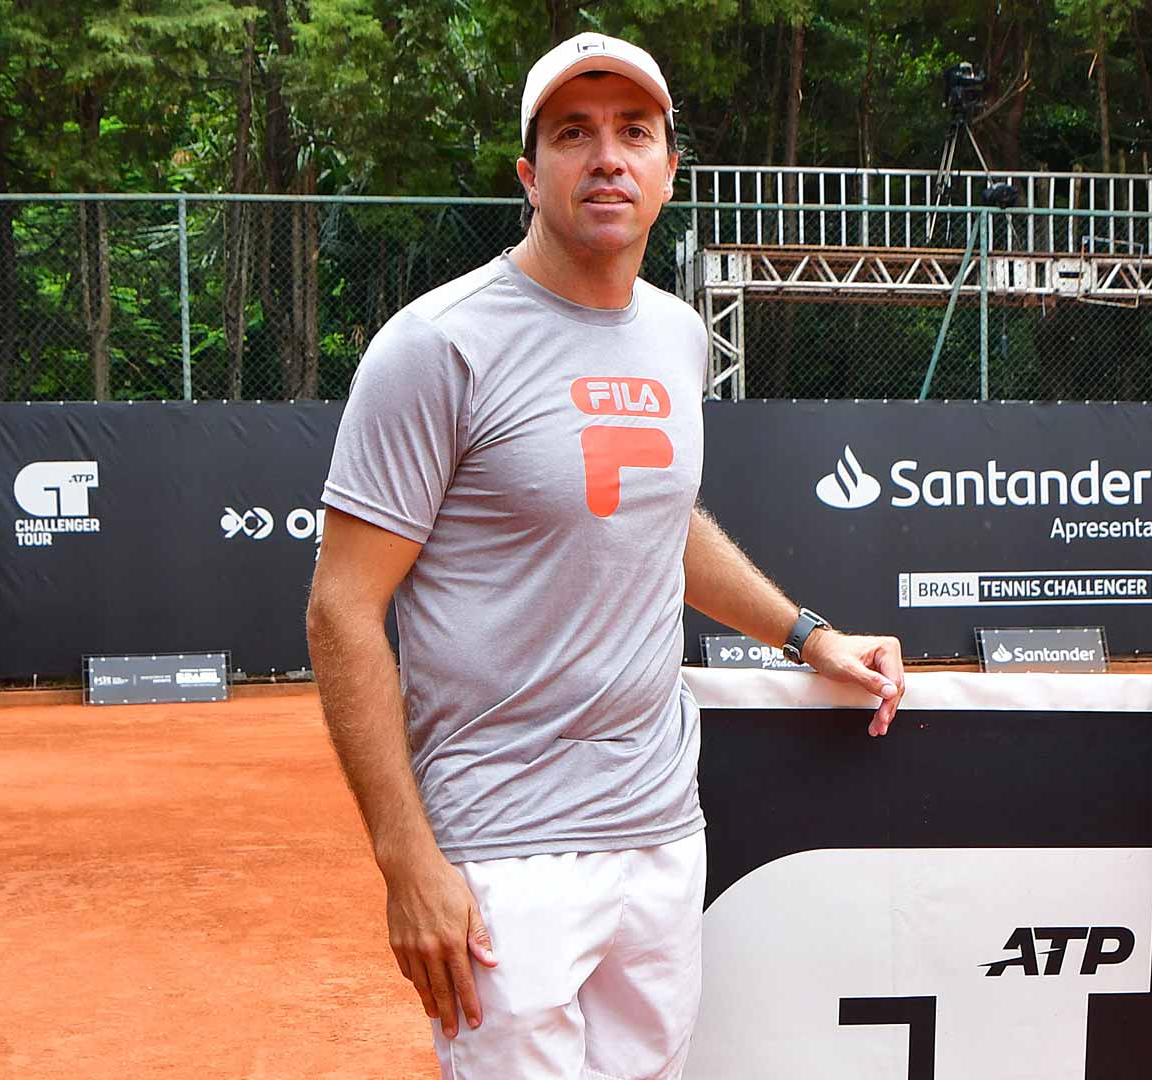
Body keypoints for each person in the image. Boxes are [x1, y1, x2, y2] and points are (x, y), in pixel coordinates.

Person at [304, 32, 905, 1080]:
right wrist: (406, 859)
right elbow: (342, 612)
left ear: (671, 170)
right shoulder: (435, 345)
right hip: (501, 854)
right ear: (531, 175)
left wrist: (806, 633)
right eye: (574, 134)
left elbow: (654, 523)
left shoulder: (677, 336)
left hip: (661, 832)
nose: (608, 157)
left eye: (635, 132)